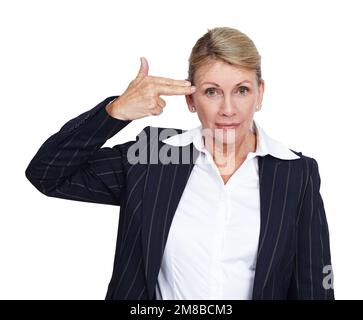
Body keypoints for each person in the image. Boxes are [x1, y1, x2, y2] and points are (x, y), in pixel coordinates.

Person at [25, 27, 334, 300]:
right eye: (212, 91)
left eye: (241, 90)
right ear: (190, 98)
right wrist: (116, 112)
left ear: (259, 94)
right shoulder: (154, 157)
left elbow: (315, 285)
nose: (228, 109)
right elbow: (47, 174)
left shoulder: (296, 172)